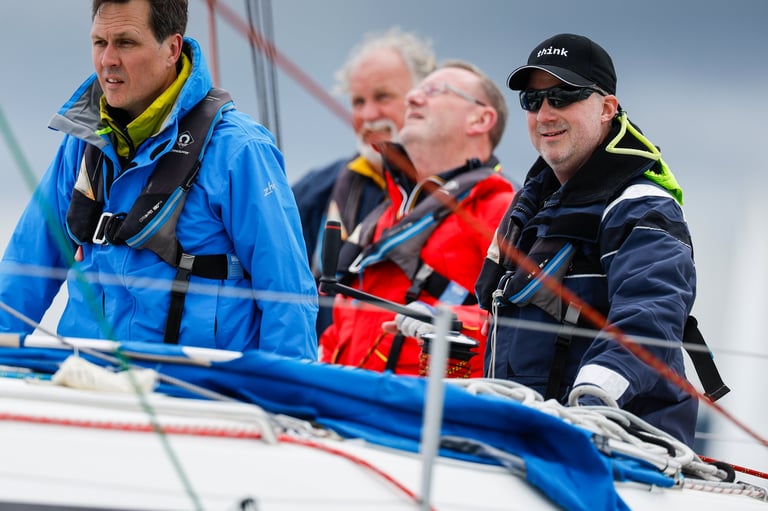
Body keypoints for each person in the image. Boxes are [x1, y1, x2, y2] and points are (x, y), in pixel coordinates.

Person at [0, 0, 317, 359]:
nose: (108, 60)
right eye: (99, 43)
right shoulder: (81, 146)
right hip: (88, 391)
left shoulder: (239, 150)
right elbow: (21, 274)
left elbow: (288, 298)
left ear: (172, 49)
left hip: (198, 401)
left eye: (126, 42)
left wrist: (285, 399)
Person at [474, 33, 699, 446]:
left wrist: (596, 393)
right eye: (532, 100)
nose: (544, 113)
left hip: (620, 450)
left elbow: (652, 314)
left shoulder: (641, 205)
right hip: (529, 440)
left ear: (607, 109)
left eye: (563, 96)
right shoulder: (533, 208)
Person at [320, 61, 515, 377]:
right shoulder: (386, 214)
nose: (412, 99)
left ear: (481, 119)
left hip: (433, 415)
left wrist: (445, 319)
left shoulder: (502, 210)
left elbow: (525, 328)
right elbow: (344, 325)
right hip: (348, 410)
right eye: (415, 92)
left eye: (435, 91)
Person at [291, 27, 436, 336]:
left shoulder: (463, 192)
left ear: (424, 98)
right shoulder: (313, 192)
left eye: (383, 97)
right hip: (326, 363)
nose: (369, 115)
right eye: (358, 101)